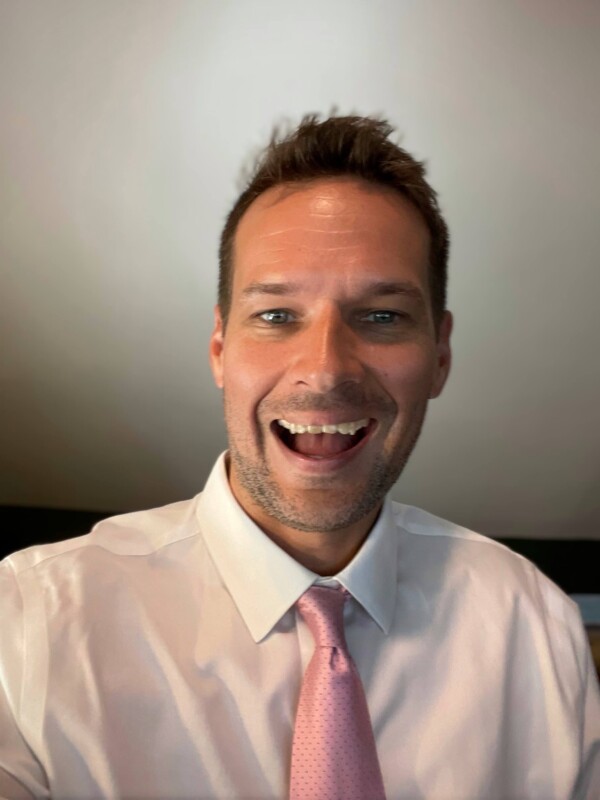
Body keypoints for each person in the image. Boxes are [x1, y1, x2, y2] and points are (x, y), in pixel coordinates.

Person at [0, 114, 598, 800]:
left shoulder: (537, 630)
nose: (326, 369)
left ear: (440, 355)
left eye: (381, 316)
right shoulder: (29, 627)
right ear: (221, 349)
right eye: (277, 315)